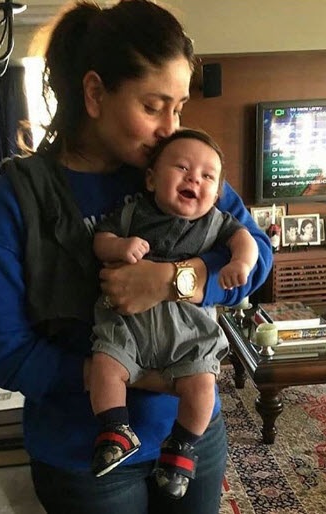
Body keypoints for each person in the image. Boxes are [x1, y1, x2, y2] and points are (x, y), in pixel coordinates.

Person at [0, 2, 273, 514]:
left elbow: (256, 254)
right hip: (82, 454)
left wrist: (180, 279)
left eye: (179, 108)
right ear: (94, 93)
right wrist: (122, 374)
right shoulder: (15, 200)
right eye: (153, 107)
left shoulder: (180, 169)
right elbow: (0, 348)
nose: (170, 128)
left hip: (190, 437)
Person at [90, 129, 258, 498]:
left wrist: (241, 264)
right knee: (104, 365)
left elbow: (248, 241)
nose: (194, 178)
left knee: (203, 385)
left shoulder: (218, 222)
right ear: (151, 179)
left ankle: (181, 445)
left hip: (189, 332)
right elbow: (101, 240)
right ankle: (115, 429)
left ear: (217, 194)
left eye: (207, 176)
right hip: (128, 326)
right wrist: (119, 246)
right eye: (182, 168)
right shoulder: (133, 212)